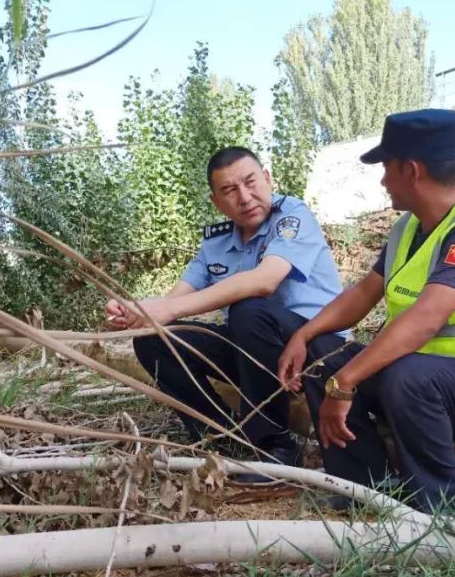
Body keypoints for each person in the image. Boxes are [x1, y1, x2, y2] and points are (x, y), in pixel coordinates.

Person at [277, 109, 455, 511]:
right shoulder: (408, 228)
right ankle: (363, 488)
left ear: (411, 170)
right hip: (426, 376)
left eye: (386, 168)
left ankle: (435, 509)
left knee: (406, 376)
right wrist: (305, 334)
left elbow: (424, 322)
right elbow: (364, 294)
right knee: (323, 357)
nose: (382, 180)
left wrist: (344, 383)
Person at [106, 146, 344, 472]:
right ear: (216, 201)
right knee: (155, 340)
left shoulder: (292, 215)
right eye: (230, 191)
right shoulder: (216, 242)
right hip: (255, 352)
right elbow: (174, 299)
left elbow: (265, 281)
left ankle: (275, 449)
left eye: (251, 183)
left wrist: (170, 310)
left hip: (316, 350)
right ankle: (223, 438)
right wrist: (135, 311)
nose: (245, 197)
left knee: (248, 309)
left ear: (267, 179)